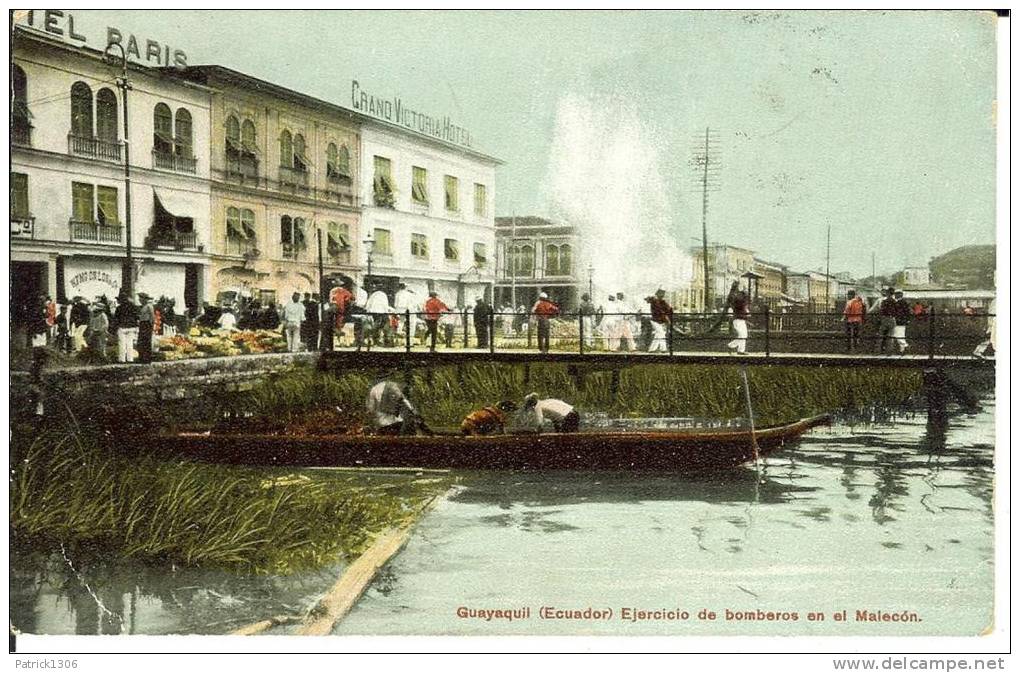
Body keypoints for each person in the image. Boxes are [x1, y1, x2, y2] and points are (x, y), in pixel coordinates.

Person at [365, 381, 431, 435]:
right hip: (393, 424)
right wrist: (414, 412)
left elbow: (370, 409)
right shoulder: (392, 386)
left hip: (382, 424)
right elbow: (403, 400)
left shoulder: (374, 389)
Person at [512, 393, 580, 433]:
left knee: (566, 437)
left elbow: (540, 423)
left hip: (569, 417)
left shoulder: (538, 407)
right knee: (572, 433)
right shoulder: (546, 402)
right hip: (575, 413)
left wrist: (537, 432)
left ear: (531, 403)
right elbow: (556, 416)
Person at [112, 293, 140, 363]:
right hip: (131, 327)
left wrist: (114, 328)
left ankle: (122, 359)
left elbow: (116, 319)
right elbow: (137, 317)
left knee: (122, 343)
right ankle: (130, 359)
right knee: (130, 343)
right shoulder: (133, 307)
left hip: (122, 327)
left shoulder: (119, 308)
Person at [876, 287, 897, 353]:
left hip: (885, 319)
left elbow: (881, 311)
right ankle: (889, 351)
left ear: (887, 293)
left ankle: (878, 350)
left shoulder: (884, 301)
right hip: (892, 319)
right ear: (893, 293)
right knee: (891, 336)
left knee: (881, 335)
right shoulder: (895, 301)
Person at [137, 292, 155, 364]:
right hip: (142, 324)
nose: (139, 300)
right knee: (141, 342)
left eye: (140, 298)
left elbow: (152, 317)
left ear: (144, 299)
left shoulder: (149, 306)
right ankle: (142, 358)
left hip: (147, 324)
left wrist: (151, 325)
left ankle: (147, 358)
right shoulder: (143, 307)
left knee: (146, 342)